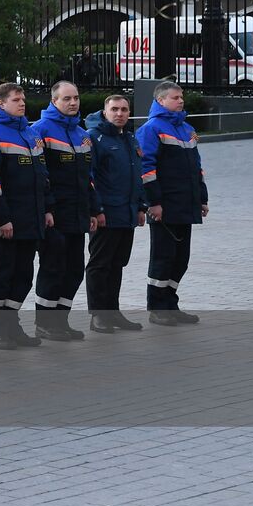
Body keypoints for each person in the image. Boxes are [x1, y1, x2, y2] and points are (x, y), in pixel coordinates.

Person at [0, 83, 50, 350]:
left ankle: (12, 326)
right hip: (8, 220)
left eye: (23, 99)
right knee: (2, 274)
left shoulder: (30, 134)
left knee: (23, 275)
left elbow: (43, 177)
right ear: (1, 104)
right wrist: (2, 218)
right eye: (16, 99)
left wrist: (47, 210)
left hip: (31, 217)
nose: (22, 103)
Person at [31, 81, 103, 341]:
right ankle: (45, 323)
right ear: (53, 101)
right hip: (55, 216)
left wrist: (94, 210)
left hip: (78, 214)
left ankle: (61, 320)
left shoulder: (82, 134)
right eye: (66, 99)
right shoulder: (40, 131)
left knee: (73, 269)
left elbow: (88, 178)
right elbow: (41, 176)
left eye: (76, 98)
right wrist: (48, 208)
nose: (73, 103)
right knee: (53, 268)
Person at [138, 81, 208, 325]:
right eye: (175, 97)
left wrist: (202, 197)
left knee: (180, 259)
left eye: (181, 97)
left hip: (185, 205)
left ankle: (170, 305)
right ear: (161, 101)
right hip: (165, 207)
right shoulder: (151, 129)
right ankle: (157, 308)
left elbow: (196, 168)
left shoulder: (187, 129)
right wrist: (153, 203)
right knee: (163, 258)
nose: (181, 101)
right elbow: (146, 169)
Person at [84, 94, 147, 333]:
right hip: (106, 214)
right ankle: (98, 315)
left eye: (124, 110)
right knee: (100, 264)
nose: (120, 114)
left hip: (127, 212)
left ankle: (112, 312)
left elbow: (137, 176)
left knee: (117, 264)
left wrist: (141, 207)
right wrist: (97, 210)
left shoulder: (129, 139)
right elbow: (90, 178)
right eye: (115, 110)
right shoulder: (94, 138)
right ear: (105, 112)